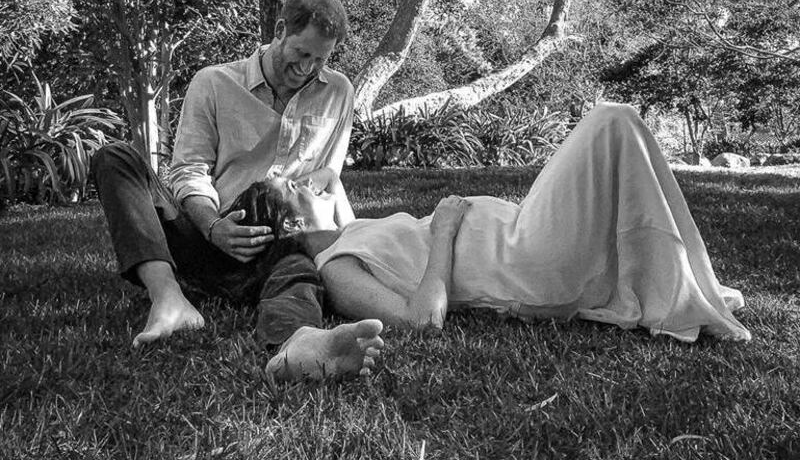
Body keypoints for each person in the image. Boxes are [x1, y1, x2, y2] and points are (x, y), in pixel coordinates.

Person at [263, 102, 752, 344]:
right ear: (290, 226)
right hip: (528, 261)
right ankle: (686, 291)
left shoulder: (347, 230)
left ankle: (687, 280)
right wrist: (444, 231)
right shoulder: (335, 268)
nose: (309, 183)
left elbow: (332, 179)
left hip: (524, 230)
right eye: (295, 187)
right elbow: (421, 321)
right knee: (612, 121)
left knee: (618, 133)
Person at [91, 0, 384, 382]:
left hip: (281, 245)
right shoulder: (213, 82)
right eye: (301, 53)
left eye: (320, 59)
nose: (308, 68)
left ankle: (299, 342)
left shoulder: (338, 91)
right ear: (280, 30)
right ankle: (169, 298)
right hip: (209, 234)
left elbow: (326, 179)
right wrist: (213, 227)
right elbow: (189, 171)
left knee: (294, 263)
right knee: (115, 157)